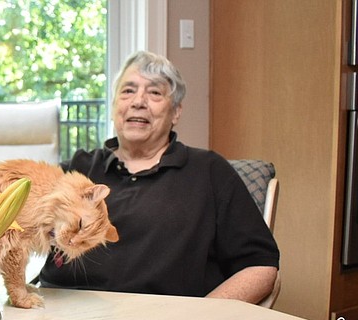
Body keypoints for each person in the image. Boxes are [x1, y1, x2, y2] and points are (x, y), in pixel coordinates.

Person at [39, 50, 280, 304]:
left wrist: (205, 317)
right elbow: (15, 224)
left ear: (175, 112)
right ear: (113, 107)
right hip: (59, 312)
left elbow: (260, 265)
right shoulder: (79, 168)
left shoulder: (209, 172)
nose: (138, 102)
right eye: (127, 91)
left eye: (154, 93)